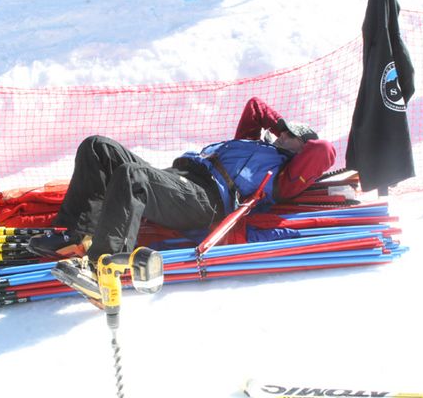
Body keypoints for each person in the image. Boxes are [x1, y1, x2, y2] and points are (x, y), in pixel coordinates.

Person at [27, 97, 336, 301]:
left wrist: (297, 142)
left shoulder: (284, 175)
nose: (281, 134)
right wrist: (282, 128)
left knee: (135, 176)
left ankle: (104, 267)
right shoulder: (256, 142)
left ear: (302, 150)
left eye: (289, 135)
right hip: (182, 178)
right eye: (282, 131)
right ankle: (74, 236)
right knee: (97, 147)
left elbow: (324, 151)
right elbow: (255, 107)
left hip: (206, 200)